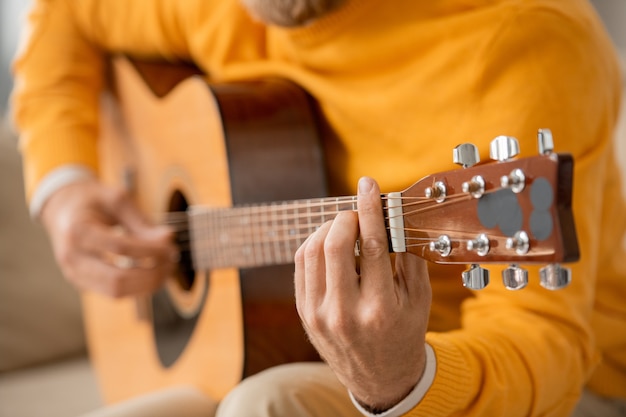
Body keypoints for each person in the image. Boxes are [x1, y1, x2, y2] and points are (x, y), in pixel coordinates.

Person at [10, 0, 626, 416]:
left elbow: (545, 338)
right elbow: (64, 13)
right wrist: (63, 189)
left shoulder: (522, 38)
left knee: (267, 404)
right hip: (278, 347)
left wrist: (402, 379)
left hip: (509, 378)